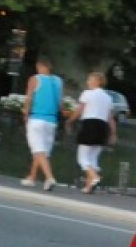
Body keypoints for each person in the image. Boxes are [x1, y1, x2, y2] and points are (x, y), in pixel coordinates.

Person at [64, 71, 115, 193]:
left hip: (89, 125)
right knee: (93, 158)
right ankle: (89, 186)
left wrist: (70, 121)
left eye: (90, 79)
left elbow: (79, 110)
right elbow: (110, 118)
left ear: (97, 81)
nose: (88, 82)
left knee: (82, 158)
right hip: (102, 127)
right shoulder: (108, 98)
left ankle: (94, 177)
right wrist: (113, 133)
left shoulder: (87, 94)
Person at [21, 57, 62, 190]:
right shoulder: (58, 81)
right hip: (52, 120)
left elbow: (29, 98)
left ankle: (49, 177)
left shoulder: (35, 79)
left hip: (37, 118)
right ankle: (32, 177)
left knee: (38, 150)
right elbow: (60, 102)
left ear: (41, 67)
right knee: (43, 152)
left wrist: (26, 113)